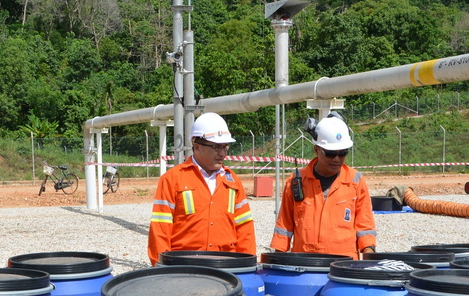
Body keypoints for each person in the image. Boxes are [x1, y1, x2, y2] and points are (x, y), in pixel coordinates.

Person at [147, 112, 256, 265]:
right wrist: (162, 267)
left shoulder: (233, 181)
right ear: (197, 147)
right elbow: (160, 228)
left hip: (225, 265)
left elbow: (245, 228)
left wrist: (246, 265)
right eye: (217, 147)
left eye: (225, 147)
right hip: (184, 266)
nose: (223, 153)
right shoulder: (173, 179)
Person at [270, 114, 376, 258]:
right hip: (305, 263)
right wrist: (277, 261)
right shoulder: (297, 181)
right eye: (331, 154)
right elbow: (284, 225)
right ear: (316, 150)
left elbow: (365, 225)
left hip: (343, 264)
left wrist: (369, 256)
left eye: (343, 153)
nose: (337, 159)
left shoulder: (355, 181)